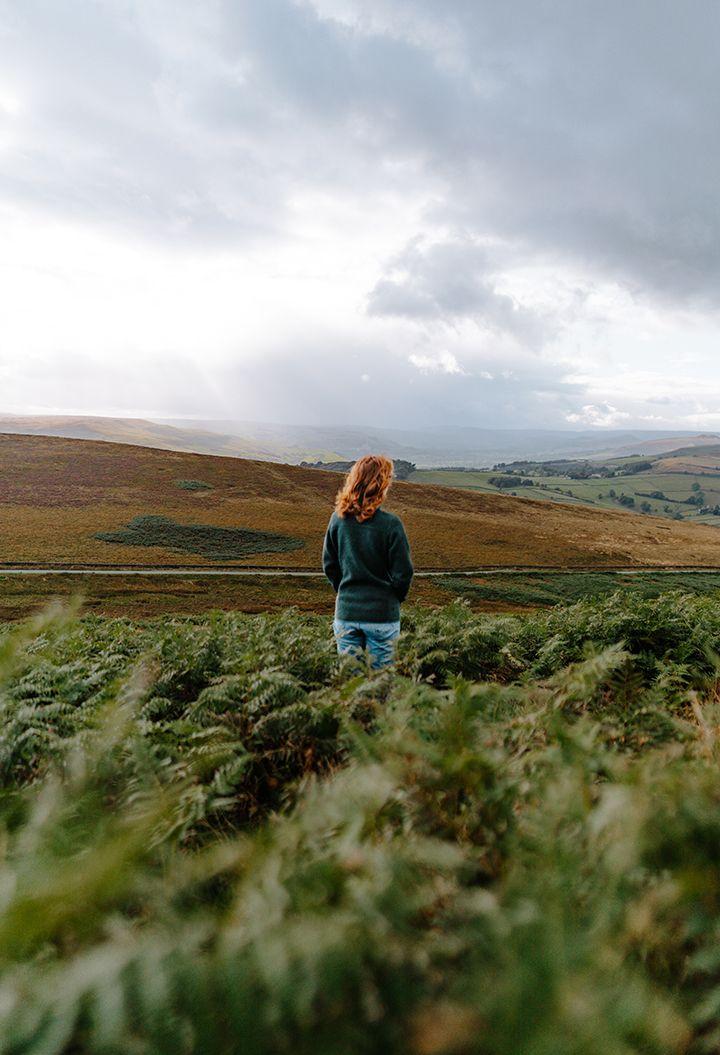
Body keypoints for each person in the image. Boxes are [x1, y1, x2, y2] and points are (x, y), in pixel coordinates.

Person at [322, 454, 414, 670]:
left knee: (351, 687)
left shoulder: (337, 519)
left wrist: (346, 591)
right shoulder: (391, 525)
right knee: (380, 686)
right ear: (381, 485)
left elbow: (329, 565)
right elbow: (403, 574)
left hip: (346, 613)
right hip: (382, 615)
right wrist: (391, 598)